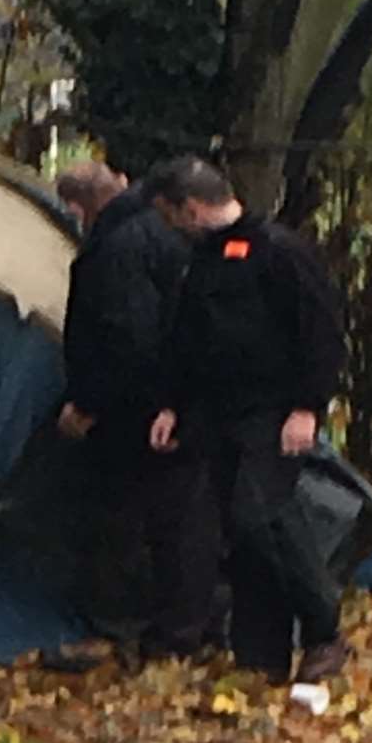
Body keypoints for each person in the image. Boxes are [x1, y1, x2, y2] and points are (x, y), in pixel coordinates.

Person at [144, 156, 350, 683]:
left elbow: (321, 335)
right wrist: (171, 403)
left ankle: (325, 627)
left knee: (263, 517)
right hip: (215, 416)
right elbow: (186, 340)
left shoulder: (280, 253)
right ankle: (262, 656)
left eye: (170, 216)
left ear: (190, 210)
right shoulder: (203, 262)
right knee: (240, 533)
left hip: (273, 414)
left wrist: (307, 406)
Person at [53, 162, 215, 663]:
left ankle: (133, 629)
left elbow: (122, 336)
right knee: (183, 521)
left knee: (129, 519)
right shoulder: (160, 230)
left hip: (135, 410)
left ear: (78, 209)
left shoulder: (118, 247)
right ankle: (184, 627)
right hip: (173, 401)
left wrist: (90, 405)